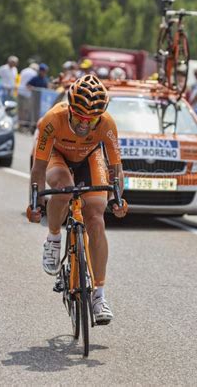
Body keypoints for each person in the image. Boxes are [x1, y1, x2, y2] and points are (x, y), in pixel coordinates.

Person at [27, 74, 127, 324]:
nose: (84, 125)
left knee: (96, 218)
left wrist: (118, 199)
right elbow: (38, 169)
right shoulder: (53, 119)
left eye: (91, 119)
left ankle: (99, 296)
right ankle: (53, 239)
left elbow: (116, 169)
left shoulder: (107, 124)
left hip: (90, 157)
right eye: (79, 117)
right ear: (70, 108)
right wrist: (35, 202)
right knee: (64, 188)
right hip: (57, 156)